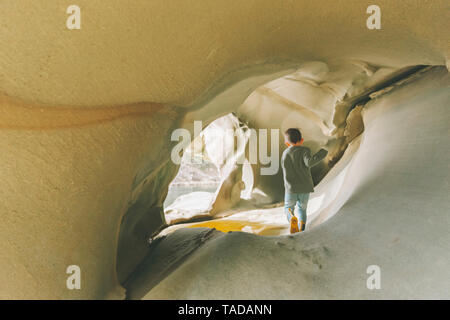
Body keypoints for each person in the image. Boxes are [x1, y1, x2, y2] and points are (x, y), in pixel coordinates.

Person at [281, 128, 328, 234]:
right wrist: (322, 152)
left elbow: (285, 170)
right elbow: (309, 162)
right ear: (301, 140)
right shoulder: (305, 150)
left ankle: (292, 217)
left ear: (287, 143)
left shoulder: (285, 154)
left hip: (291, 188)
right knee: (302, 209)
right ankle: (301, 228)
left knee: (288, 207)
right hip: (305, 188)